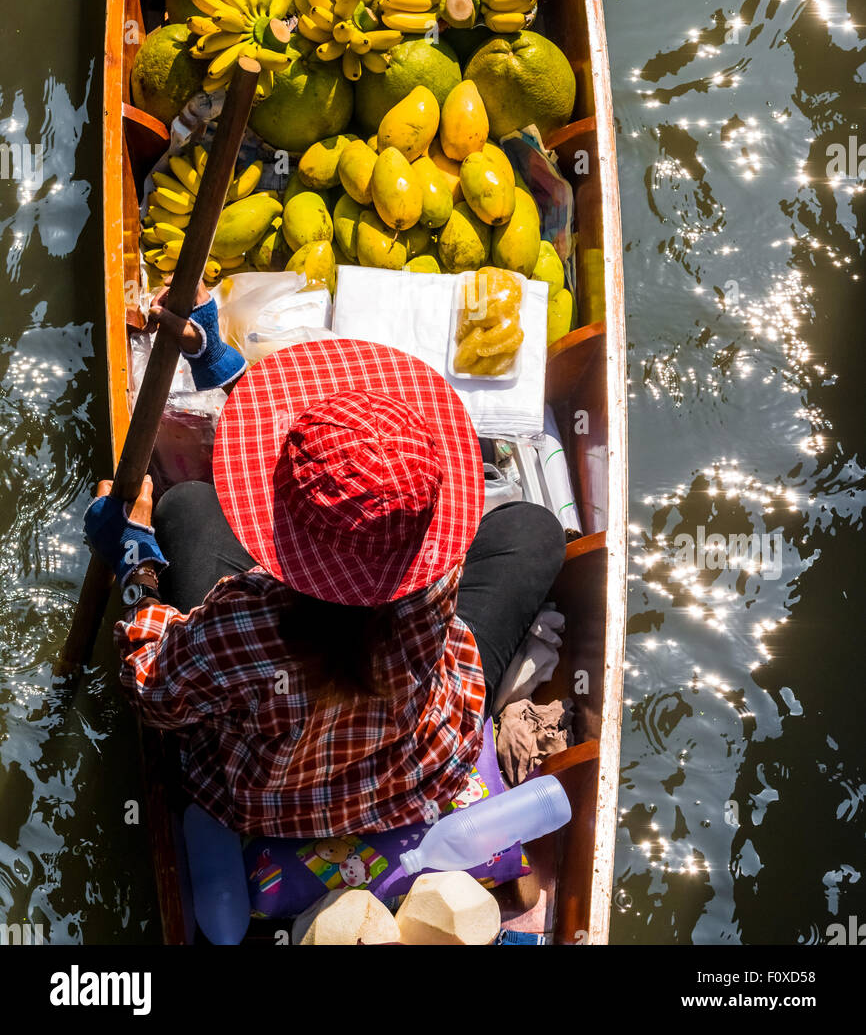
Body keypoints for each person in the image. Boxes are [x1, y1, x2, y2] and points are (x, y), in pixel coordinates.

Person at [85, 290, 566, 838]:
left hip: (266, 802)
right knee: (534, 529)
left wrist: (136, 561)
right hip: (415, 772)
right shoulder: (435, 570)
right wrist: (215, 359)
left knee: (188, 505)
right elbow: (347, 508)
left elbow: (151, 690)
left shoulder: (242, 620)